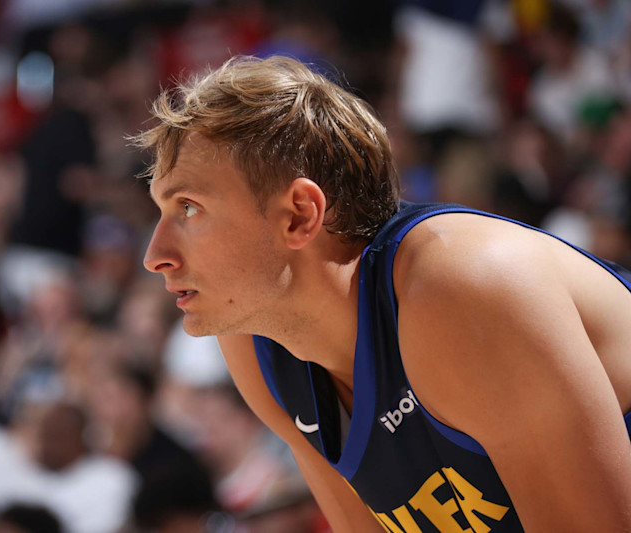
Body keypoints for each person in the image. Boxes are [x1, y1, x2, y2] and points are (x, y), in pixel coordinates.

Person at [135, 55, 631, 532]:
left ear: (300, 215)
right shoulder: (254, 337)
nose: (154, 255)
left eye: (190, 208)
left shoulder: (463, 287)